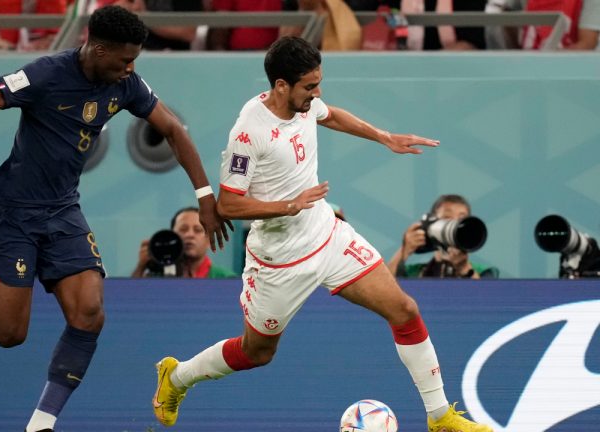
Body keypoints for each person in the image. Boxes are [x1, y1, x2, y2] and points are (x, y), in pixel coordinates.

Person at [0, 6, 231, 432]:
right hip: (12, 214)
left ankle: (41, 423)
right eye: (124, 59)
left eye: (135, 60)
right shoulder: (45, 74)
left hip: (62, 211)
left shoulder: (126, 84)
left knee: (90, 313)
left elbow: (173, 129)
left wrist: (205, 196)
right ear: (97, 48)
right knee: (9, 335)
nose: (131, 68)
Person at [151, 36, 492, 432]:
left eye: (318, 83)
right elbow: (228, 205)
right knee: (257, 352)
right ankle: (176, 377)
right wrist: (288, 205)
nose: (317, 93)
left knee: (405, 310)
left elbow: (330, 116)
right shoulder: (249, 132)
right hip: (279, 261)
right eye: (310, 86)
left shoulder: (306, 105)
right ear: (281, 86)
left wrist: (384, 137)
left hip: (328, 237)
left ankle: (440, 417)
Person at [387, 194, 496, 279]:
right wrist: (404, 250)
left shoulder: (484, 272)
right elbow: (385, 288)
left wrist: (464, 269)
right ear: (432, 224)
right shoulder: (414, 272)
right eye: (447, 217)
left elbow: (488, 300)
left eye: (462, 219)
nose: (455, 223)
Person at [132, 206, 237, 278]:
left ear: (210, 241)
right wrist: (141, 267)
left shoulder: (227, 279)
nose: (189, 235)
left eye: (198, 230)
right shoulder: (157, 277)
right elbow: (129, 302)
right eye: (183, 229)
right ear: (172, 236)